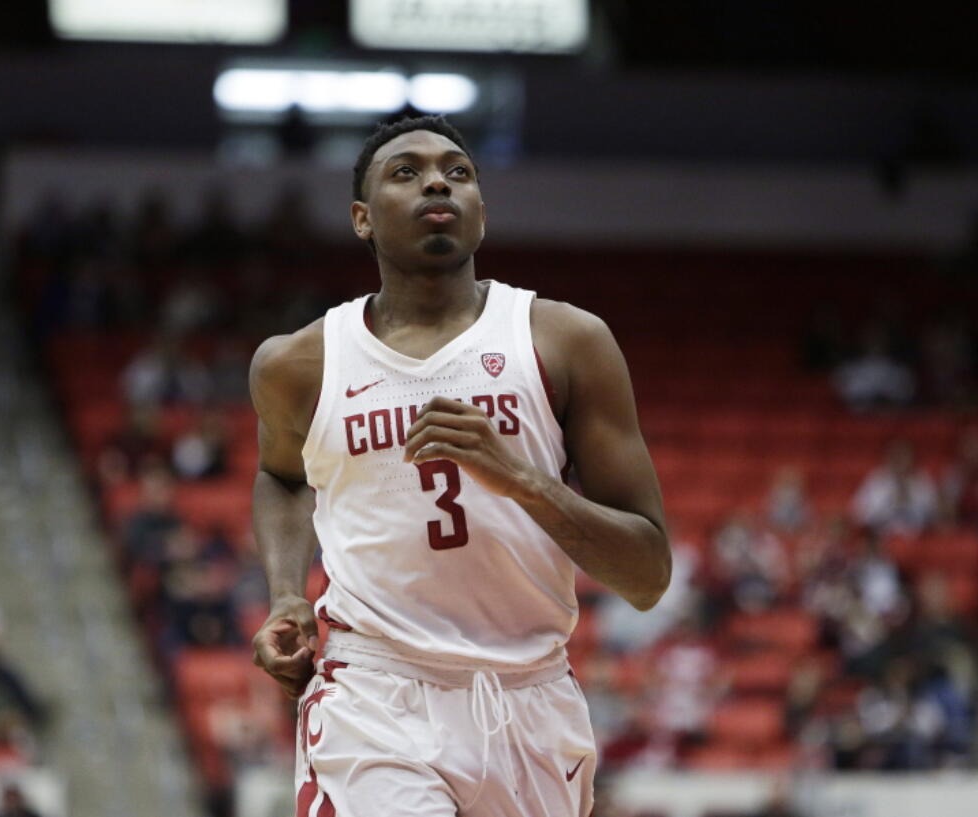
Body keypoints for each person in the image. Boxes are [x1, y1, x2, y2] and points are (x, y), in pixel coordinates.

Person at [249, 115, 671, 816]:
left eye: (458, 170)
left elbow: (648, 573)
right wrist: (287, 593)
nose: (438, 179)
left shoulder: (566, 341)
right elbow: (283, 474)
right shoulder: (299, 361)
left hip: (531, 697)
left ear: (482, 210)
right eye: (405, 171)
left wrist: (524, 480)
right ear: (362, 218)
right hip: (375, 689)